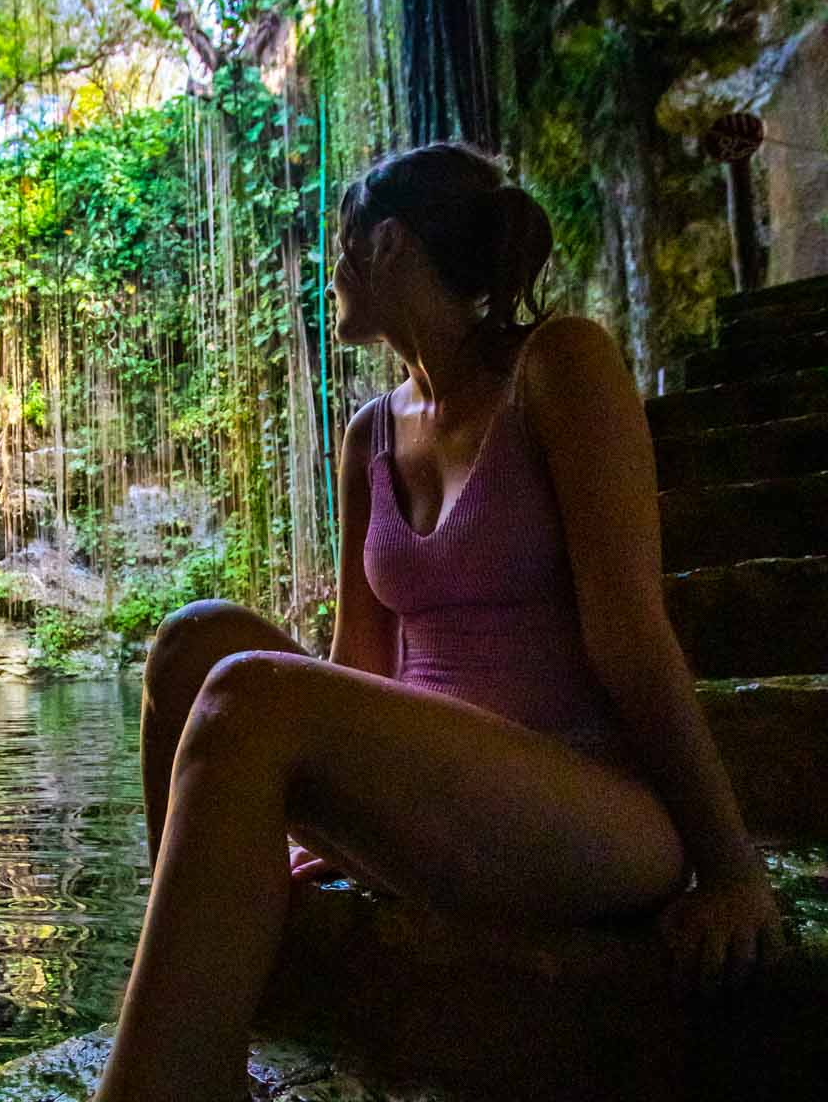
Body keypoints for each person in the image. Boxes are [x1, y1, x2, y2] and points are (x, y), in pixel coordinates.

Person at [91, 142, 784, 1102]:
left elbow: (632, 638)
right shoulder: (370, 431)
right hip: (436, 801)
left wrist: (732, 867)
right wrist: (300, 834)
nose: (326, 270)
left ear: (387, 245)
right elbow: (356, 666)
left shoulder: (562, 366)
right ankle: (213, 1042)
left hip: (590, 805)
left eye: (338, 245)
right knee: (193, 646)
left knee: (247, 693)